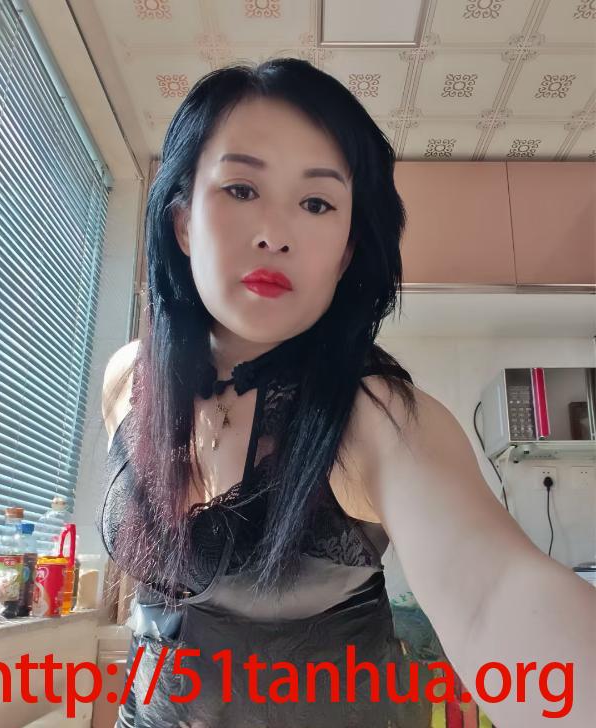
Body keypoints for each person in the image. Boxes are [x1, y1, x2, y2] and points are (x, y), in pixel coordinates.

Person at [97, 58, 595, 728]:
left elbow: (494, 595)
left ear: (347, 252)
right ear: (183, 222)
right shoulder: (128, 379)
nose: (274, 233)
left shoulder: (376, 420)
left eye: (316, 203)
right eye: (242, 189)